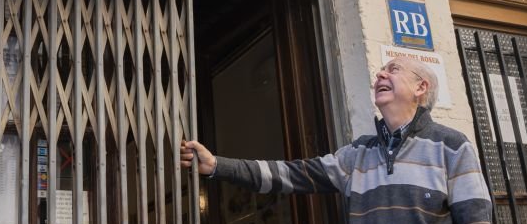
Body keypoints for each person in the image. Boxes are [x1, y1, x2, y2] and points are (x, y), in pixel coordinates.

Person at [180, 56, 493, 223]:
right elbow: (290, 175)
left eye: (393, 70)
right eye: (380, 72)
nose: (380, 76)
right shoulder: (358, 153)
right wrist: (218, 165)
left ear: (420, 87)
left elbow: (476, 220)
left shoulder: (451, 145)